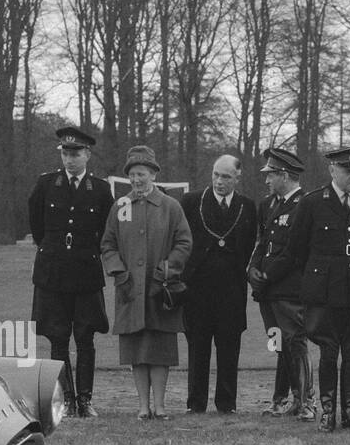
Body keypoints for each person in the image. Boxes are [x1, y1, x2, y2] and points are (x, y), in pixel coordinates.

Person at [285, 146, 350, 432]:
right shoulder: (313, 203)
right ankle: (328, 412)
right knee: (328, 349)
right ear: (332, 171)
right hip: (324, 290)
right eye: (347, 171)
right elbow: (296, 248)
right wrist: (319, 274)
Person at [99, 145, 193, 420]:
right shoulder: (120, 206)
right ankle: (142, 407)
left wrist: (168, 268)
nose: (137, 180)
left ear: (153, 174)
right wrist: (118, 271)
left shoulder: (170, 206)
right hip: (129, 289)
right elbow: (108, 244)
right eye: (132, 175)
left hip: (160, 289)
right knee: (136, 350)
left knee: (160, 348)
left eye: (141, 174)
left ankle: (160, 406)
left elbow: (184, 242)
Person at [28, 126, 113, 418]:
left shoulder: (101, 189)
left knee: (85, 337)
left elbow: (105, 230)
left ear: (87, 154)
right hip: (53, 272)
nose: (70, 160)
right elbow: (37, 226)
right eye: (65, 153)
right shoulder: (46, 185)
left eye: (75, 153)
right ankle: (65, 399)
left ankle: (86, 399)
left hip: (86, 272)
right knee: (57, 336)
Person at [180, 154, 257, 415]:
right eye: (216, 175)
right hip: (197, 290)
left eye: (225, 176)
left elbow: (247, 247)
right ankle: (196, 403)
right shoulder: (191, 202)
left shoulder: (248, 206)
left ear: (237, 177)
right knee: (197, 348)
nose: (219, 181)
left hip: (232, 291)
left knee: (229, 348)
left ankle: (226, 403)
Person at [249, 146, 315, 420]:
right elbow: (262, 242)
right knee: (277, 344)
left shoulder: (305, 204)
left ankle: (306, 402)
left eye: (271, 175)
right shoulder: (268, 205)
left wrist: (267, 276)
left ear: (285, 175)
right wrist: (252, 268)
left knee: (295, 343)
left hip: (290, 289)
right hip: (267, 290)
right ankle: (282, 400)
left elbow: (295, 251)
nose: (266, 181)